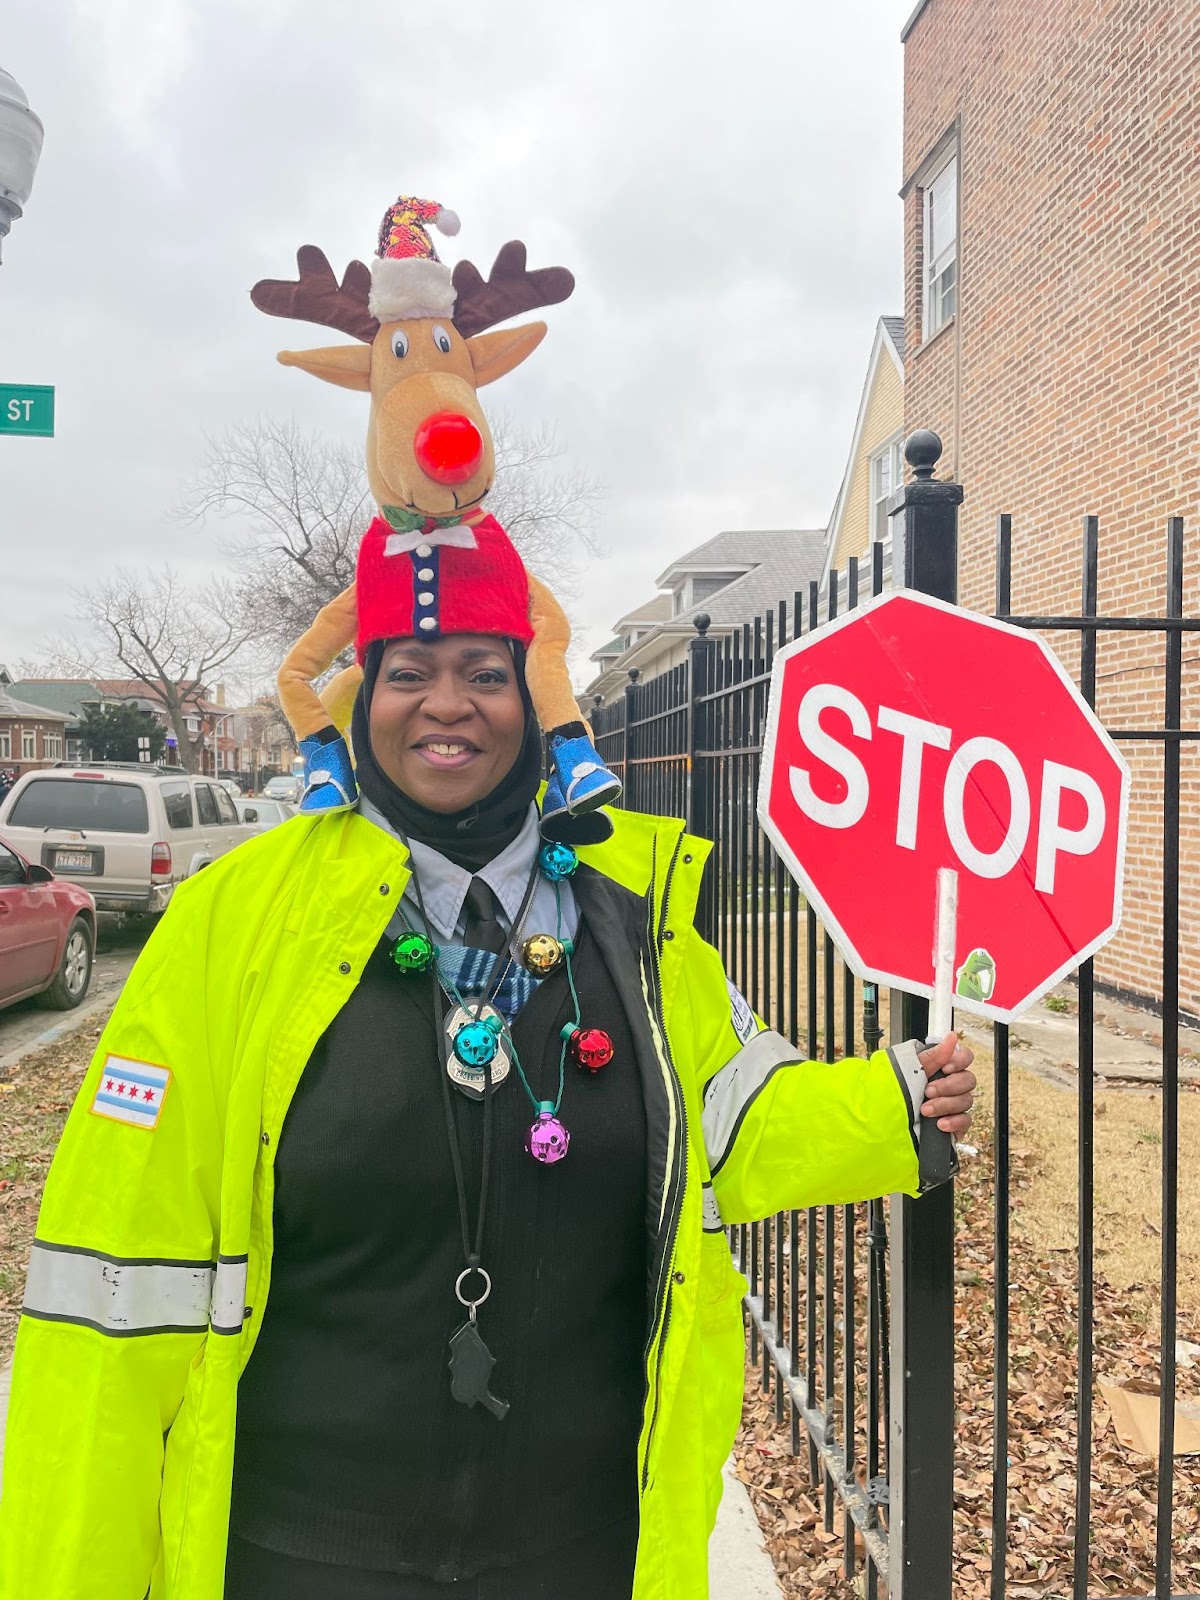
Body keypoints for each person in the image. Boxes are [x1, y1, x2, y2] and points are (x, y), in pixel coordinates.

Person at [0, 594, 974, 1600]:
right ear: (358, 694)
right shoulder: (231, 925)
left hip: (581, 1549)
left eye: (486, 672)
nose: (448, 704)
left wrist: (899, 1100)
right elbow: (109, 1293)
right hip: (299, 1554)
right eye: (410, 671)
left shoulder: (633, 920)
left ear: (536, 698)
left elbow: (733, 1117)